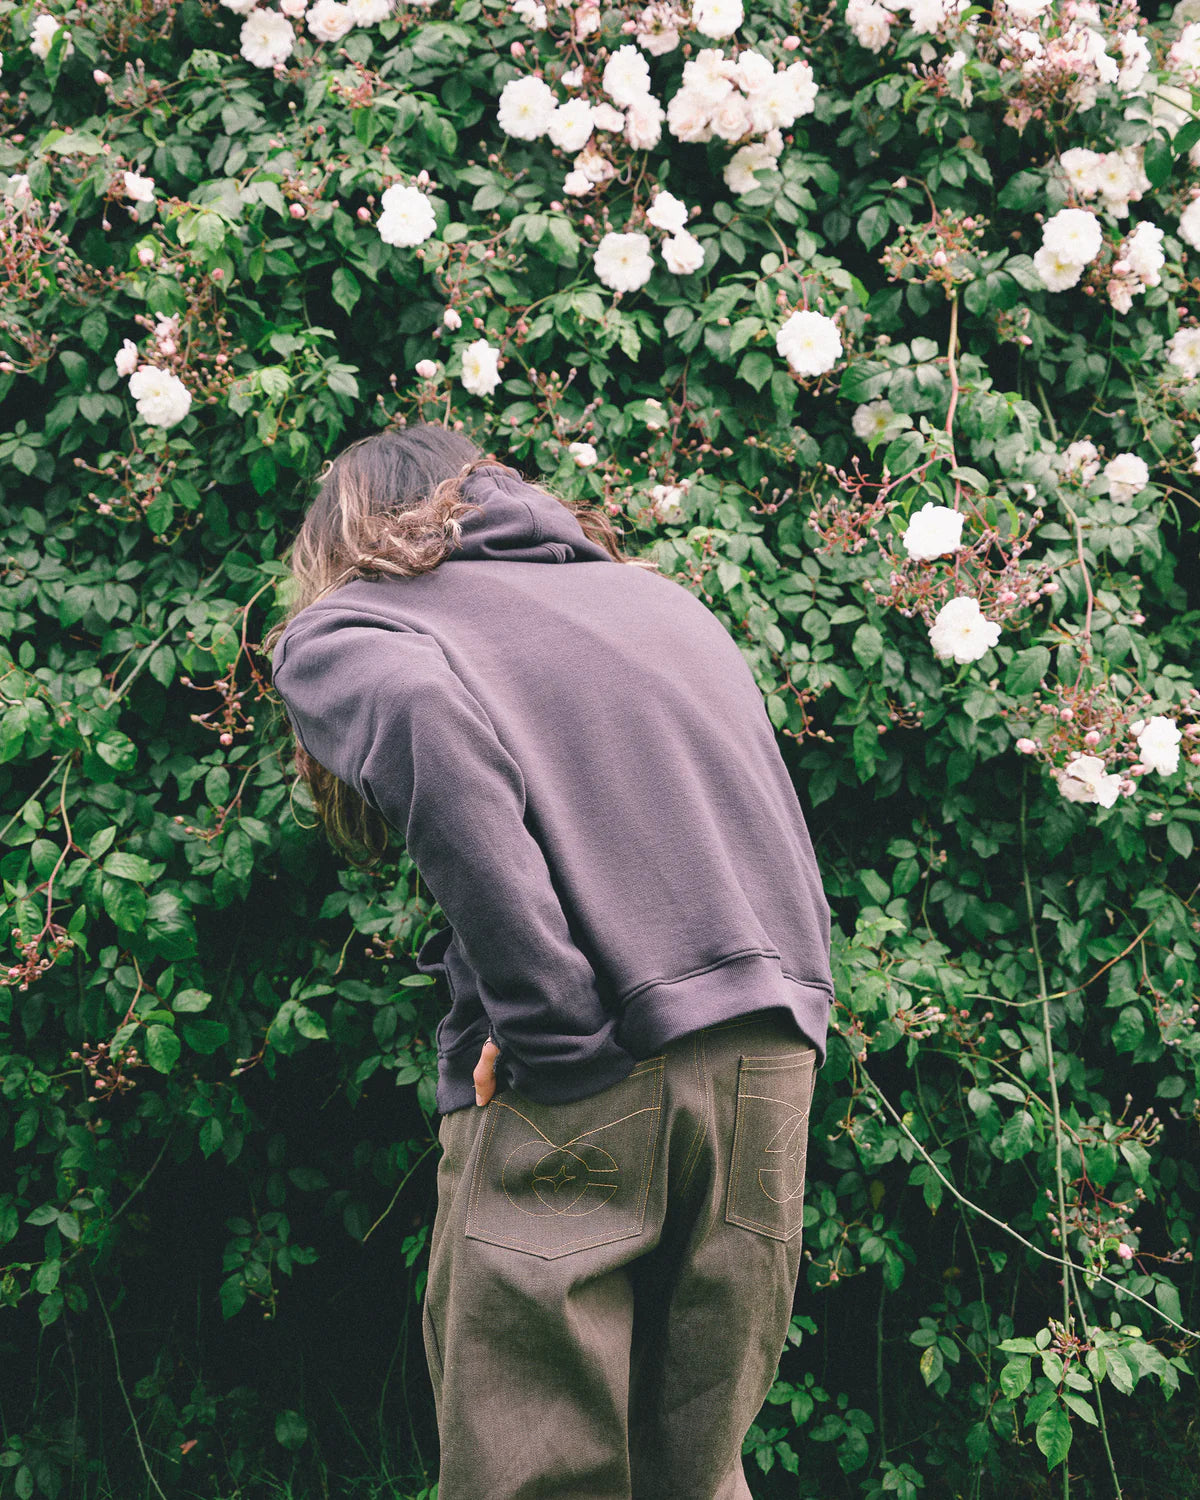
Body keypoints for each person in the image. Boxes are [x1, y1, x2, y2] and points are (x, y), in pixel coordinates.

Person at [266, 422, 835, 1500]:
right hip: (771, 1052)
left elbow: (428, 720)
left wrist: (552, 1027)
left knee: (534, 1474)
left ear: (344, 534)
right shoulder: (659, 601)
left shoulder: (352, 624)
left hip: (593, 1066)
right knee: (699, 1471)